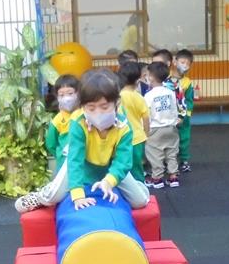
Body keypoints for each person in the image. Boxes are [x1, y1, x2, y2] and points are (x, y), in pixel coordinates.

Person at [14, 68, 149, 213]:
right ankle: (41, 195)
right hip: (82, 163)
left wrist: (109, 181)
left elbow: (123, 161)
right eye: (91, 108)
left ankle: (140, 187)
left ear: (117, 103)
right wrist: (78, 195)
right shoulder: (79, 123)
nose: (98, 113)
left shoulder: (123, 127)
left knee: (140, 201)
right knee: (54, 196)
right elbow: (75, 160)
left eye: (104, 107)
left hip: (110, 165)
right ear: (82, 107)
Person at [143, 61, 180, 189]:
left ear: (151, 77)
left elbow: (146, 114)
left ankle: (157, 178)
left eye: (147, 75)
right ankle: (173, 176)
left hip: (155, 128)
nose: (146, 77)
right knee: (171, 152)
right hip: (171, 127)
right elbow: (174, 109)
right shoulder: (170, 92)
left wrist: (145, 130)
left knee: (155, 154)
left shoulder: (148, 95)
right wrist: (174, 122)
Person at [117, 61, 149, 183]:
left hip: (121, 137)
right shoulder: (139, 97)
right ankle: (141, 188)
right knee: (137, 168)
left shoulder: (118, 97)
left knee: (122, 166)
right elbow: (146, 118)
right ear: (137, 80)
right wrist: (147, 134)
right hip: (137, 138)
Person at [44, 74, 80, 172]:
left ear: (78, 93)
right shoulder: (57, 120)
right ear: (57, 97)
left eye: (70, 93)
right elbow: (51, 144)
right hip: (63, 164)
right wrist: (60, 154)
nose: (66, 98)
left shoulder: (84, 115)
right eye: (62, 95)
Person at [175, 49, 196, 172]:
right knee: (169, 139)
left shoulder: (187, 82)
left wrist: (186, 116)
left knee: (184, 138)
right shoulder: (167, 79)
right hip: (169, 115)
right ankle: (169, 161)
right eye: (182, 62)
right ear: (175, 62)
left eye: (188, 64)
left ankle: (184, 160)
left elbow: (189, 100)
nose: (185, 66)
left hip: (183, 117)